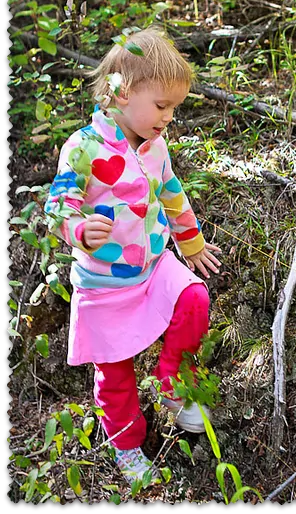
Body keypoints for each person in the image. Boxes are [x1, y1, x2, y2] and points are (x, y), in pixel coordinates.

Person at [44, 26, 221, 485]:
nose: (167, 118)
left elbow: (172, 193)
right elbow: (57, 207)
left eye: (173, 109)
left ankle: (172, 383)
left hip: (154, 264)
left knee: (195, 299)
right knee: (116, 376)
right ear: (122, 92)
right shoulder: (83, 147)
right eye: (161, 106)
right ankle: (127, 446)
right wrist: (79, 230)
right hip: (105, 283)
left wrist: (192, 243)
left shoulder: (155, 145)